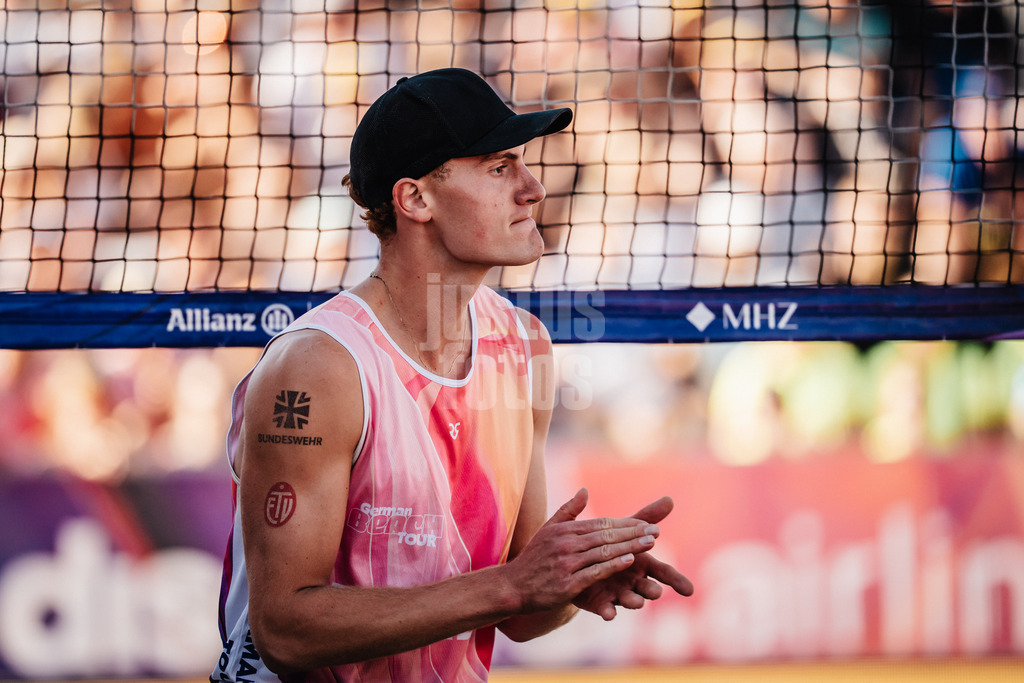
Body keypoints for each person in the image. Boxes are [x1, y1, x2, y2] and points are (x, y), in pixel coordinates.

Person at [211, 67, 693, 683]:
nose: (533, 188)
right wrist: (513, 586)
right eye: (498, 167)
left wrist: (570, 581)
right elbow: (284, 631)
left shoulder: (528, 346)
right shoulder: (316, 368)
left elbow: (520, 612)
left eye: (521, 162)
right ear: (415, 200)